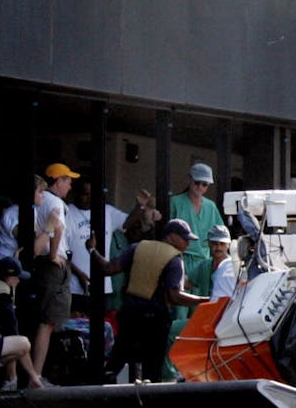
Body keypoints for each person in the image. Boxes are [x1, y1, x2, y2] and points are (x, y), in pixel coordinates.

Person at [90, 218, 207, 382]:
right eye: (184, 238)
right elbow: (173, 296)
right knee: (152, 372)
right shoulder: (174, 260)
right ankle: (147, 403)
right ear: (172, 236)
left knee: (116, 363)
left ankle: (99, 398)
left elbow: (108, 268)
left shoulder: (137, 248)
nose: (188, 243)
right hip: (155, 321)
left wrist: (92, 250)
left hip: (129, 316)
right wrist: (203, 301)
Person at [31, 162, 77, 378]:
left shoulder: (41, 201)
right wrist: (53, 255)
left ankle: (37, 373)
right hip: (52, 264)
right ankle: (37, 375)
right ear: (58, 181)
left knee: (45, 319)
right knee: (48, 322)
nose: (70, 186)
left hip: (41, 264)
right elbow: (56, 227)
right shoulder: (56, 202)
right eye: (68, 181)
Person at [66, 179, 128, 312]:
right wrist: (79, 274)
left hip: (103, 287)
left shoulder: (107, 211)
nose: (89, 199)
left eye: (92, 195)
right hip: (75, 287)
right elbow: (60, 253)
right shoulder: (67, 213)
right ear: (75, 194)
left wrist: (140, 207)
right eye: (85, 194)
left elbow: (127, 223)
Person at [168, 162, 224, 301]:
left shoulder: (211, 206)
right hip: (180, 259)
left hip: (204, 263)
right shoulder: (175, 202)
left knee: (200, 309)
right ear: (189, 179)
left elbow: (221, 236)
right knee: (179, 307)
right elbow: (167, 235)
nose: (200, 187)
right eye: (197, 182)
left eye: (204, 184)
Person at [0, 258, 45, 390]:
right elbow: (14, 337)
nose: (19, 281)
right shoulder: (1, 296)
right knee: (23, 343)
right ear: (8, 278)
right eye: (16, 277)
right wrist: (33, 376)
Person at [206, 224, 236, 302]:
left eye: (222, 244)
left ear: (228, 245)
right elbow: (188, 282)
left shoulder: (233, 267)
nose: (218, 247)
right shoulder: (204, 266)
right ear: (209, 243)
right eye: (215, 243)